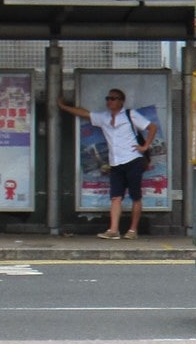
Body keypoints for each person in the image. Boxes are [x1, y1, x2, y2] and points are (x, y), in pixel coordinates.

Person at [57, 88, 157, 240]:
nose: (109, 101)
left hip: (132, 160)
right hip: (115, 162)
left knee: (135, 196)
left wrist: (145, 146)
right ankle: (114, 229)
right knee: (115, 197)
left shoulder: (130, 115)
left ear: (121, 101)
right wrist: (64, 107)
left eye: (113, 98)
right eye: (108, 98)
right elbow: (85, 113)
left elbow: (152, 127)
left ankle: (132, 230)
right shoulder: (104, 117)